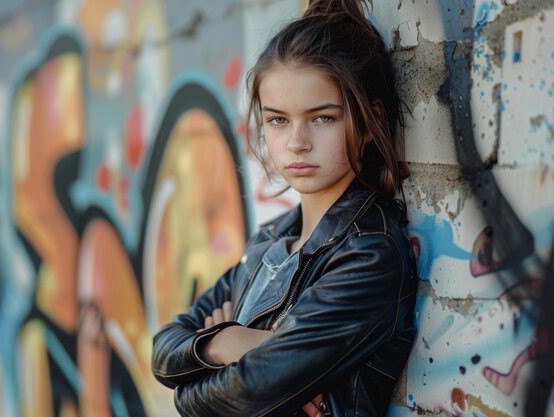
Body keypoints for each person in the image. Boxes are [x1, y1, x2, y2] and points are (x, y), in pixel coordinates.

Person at [151, 0, 418, 415]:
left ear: (368, 123)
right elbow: (163, 349)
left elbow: (247, 395)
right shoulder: (269, 242)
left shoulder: (368, 253)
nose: (297, 142)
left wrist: (195, 383)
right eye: (278, 120)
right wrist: (225, 342)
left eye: (323, 118)